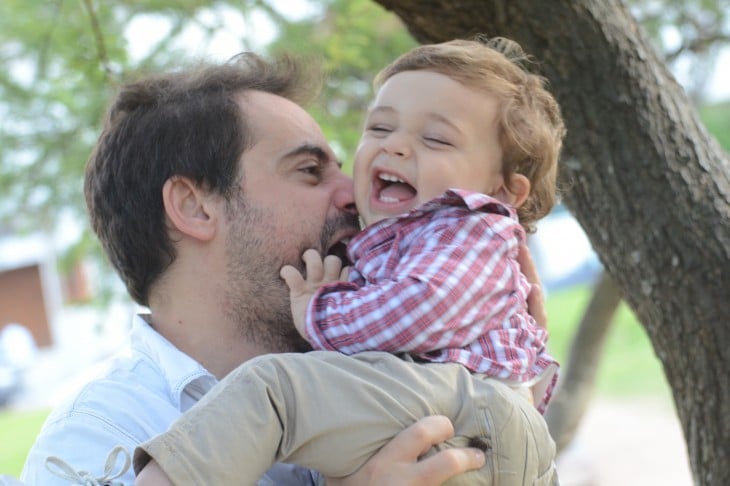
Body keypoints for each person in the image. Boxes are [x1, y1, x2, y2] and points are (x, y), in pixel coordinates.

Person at [18, 49, 544, 486]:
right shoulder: (97, 437)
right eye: (311, 171)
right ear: (196, 207)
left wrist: (503, 382)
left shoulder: (391, 363)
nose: (351, 195)